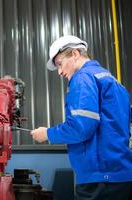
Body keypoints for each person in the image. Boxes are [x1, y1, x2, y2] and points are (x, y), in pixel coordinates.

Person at [31, 35, 132, 199]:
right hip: (121, 175)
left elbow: (80, 127)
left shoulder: (83, 78)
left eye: (60, 64)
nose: (60, 72)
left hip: (100, 178)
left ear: (75, 54)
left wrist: (47, 134)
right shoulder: (110, 79)